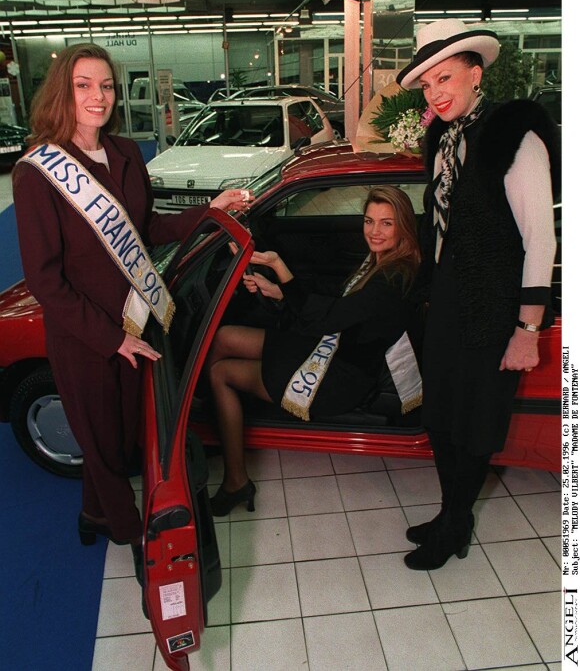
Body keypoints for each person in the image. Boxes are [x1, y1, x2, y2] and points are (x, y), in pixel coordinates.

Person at [12, 43, 252, 584]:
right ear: (62, 93)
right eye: (83, 85)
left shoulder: (124, 152)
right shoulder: (37, 174)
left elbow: (144, 232)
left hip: (135, 318)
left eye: (105, 85)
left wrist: (209, 211)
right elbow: (47, 282)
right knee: (100, 441)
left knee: (121, 434)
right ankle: (129, 531)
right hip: (84, 337)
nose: (98, 96)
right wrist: (109, 338)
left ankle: (91, 512)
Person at [396, 18, 560, 571]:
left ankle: (457, 524)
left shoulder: (513, 135)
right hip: (447, 301)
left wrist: (528, 330)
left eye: (445, 77)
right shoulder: (442, 138)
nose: (437, 92)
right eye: (427, 84)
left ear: (475, 71)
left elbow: (541, 238)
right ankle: (450, 514)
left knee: (473, 424)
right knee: (441, 418)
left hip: (492, 309)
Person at [206, 185, 422, 516]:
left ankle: (236, 481)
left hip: (340, 376)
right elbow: (338, 304)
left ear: (403, 225)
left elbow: (332, 317)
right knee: (223, 337)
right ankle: (219, 421)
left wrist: (277, 266)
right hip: (334, 347)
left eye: (387, 223)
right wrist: (279, 292)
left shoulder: (393, 278)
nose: (374, 232)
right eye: (369, 221)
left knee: (221, 373)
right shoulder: (384, 261)